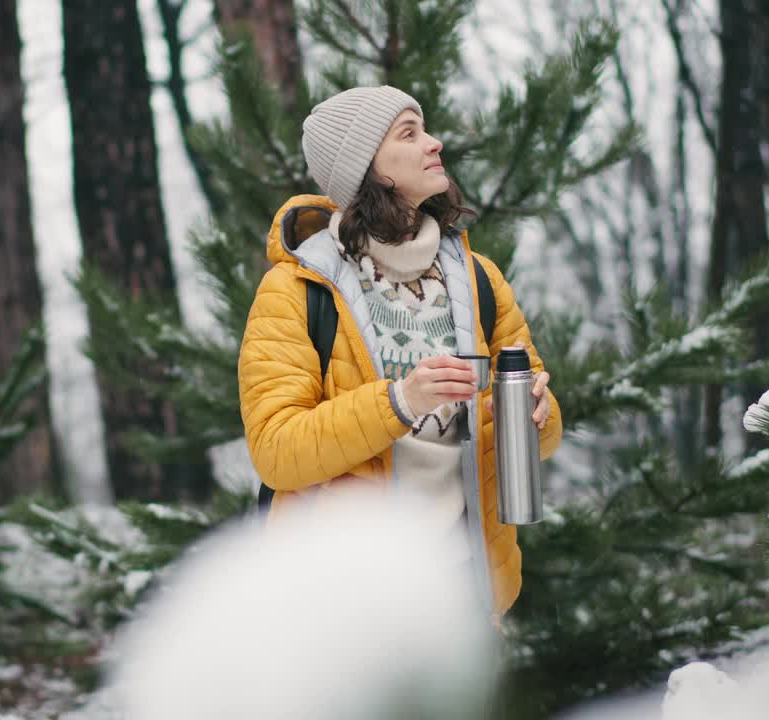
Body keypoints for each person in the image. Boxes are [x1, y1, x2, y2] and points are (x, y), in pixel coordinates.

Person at [237, 85, 563, 620]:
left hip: (464, 586)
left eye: (425, 128)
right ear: (369, 168)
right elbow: (276, 451)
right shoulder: (297, 291)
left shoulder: (479, 279)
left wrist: (537, 414)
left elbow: (541, 438)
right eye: (409, 134)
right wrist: (399, 402)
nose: (434, 143)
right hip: (343, 596)